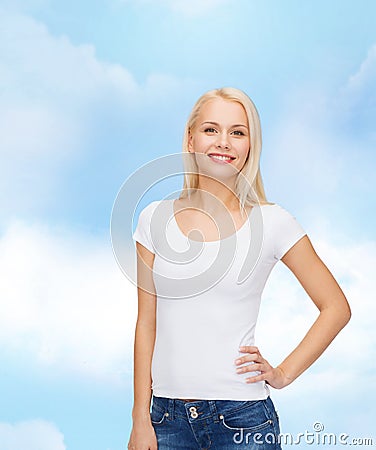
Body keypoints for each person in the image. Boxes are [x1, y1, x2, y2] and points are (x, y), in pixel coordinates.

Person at [128, 87, 351, 450]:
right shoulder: (154, 219)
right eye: (211, 129)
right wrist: (140, 418)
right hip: (165, 421)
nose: (224, 142)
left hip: (243, 421)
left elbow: (336, 308)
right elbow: (146, 323)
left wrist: (282, 373)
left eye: (238, 132)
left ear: (250, 146)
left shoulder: (273, 222)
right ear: (191, 138)